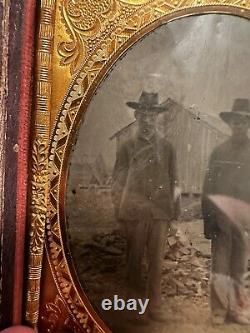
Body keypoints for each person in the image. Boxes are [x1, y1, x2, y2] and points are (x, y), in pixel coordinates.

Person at [111, 91, 180, 322]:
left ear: (157, 117)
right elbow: (117, 182)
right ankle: (134, 307)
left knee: (156, 262)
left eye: (153, 115)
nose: (148, 120)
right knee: (134, 262)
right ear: (137, 115)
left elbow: (174, 181)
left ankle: (155, 306)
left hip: (160, 213)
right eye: (144, 115)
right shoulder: (127, 147)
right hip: (134, 214)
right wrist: (118, 213)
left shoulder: (169, 147)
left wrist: (174, 214)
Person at [202, 98, 250, 325]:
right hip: (221, 221)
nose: (239, 126)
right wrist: (208, 222)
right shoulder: (219, 152)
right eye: (235, 122)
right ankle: (219, 311)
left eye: (243, 122)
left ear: (248, 124)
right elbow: (208, 188)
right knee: (220, 266)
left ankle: (237, 311)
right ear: (230, 124)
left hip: (244, 222)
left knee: (239, 267)